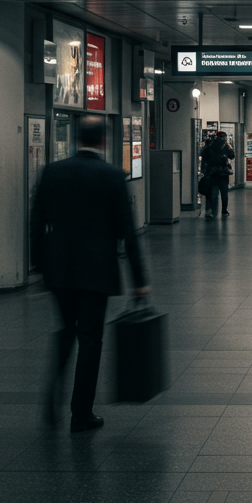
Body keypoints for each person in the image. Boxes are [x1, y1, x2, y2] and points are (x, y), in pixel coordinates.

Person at [31, 114, 150, 434]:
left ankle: (51, 395)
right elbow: (129, 231)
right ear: (103, 141)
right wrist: (139, 280)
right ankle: (80, 413)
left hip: (59, 269)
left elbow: (36, 221)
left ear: (75, 137)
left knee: (65, 329)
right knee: (90, 339)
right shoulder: (112, 176)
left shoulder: (53, 172)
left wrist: (41, 264)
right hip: (97, 270)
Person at [200, 130, 234, 219]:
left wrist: (204, 170)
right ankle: (224, 210)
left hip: (212, 172)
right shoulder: (226, 145)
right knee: (224, 192)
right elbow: (232, 155)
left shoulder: (210, 144)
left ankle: (209, 210)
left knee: (210, 192)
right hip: (223, 172)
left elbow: (203, 155)